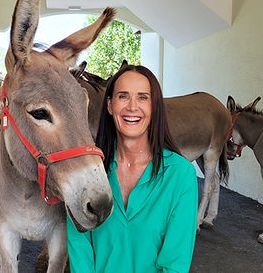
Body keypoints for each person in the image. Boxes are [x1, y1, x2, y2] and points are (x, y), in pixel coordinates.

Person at [67, 61, 198, 272]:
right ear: (110, 105)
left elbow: (175, 264)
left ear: (154, 107)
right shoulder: (85, 173)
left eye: (143, 98)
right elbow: (79, 250)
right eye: (123, 96)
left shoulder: (181, 175)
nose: (132, 107)